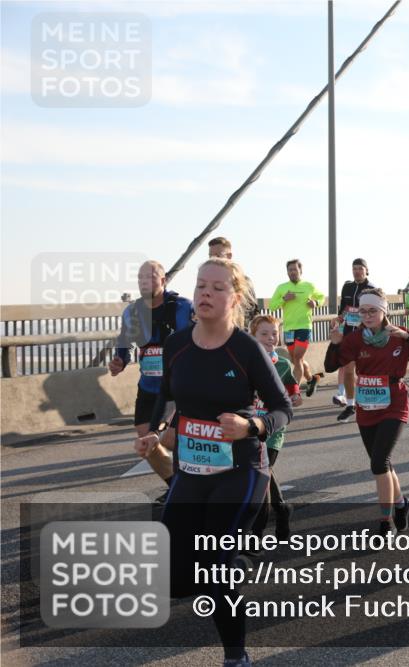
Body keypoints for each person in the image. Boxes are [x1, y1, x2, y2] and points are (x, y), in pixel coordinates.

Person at [135, 258, 293, 666]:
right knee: (172, 574)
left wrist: (251, 424)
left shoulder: (246, 349)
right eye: (201, 285)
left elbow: (282, 408)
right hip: (191, 471)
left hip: (241, 471)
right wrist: (157, 430)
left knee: (214, 566)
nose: (205, 293)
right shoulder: (177, 345)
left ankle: (236, 656)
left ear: (234, 298)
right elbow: (167, 397)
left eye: (217, 288)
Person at [325, 288, 409, 535]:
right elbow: (331, 365)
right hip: (366, 406)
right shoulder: (355, 338)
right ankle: (401, 503)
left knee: (379, 462)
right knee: (382, 464)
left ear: (383, 311)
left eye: (373, 310)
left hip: (394, 403)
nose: (367, 315)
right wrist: (334, 344)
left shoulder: (397, 334)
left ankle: (385, 522)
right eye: (363, 311)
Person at [110, 260, 194, 492]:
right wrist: (121, 360)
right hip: (148, 386)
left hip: (178, 387)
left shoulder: (183, 308)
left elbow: (202, 338)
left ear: (163, 280)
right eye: (140, 278)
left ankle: (199, 485)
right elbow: (124, 343)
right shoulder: (132, 312)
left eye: (150, 276)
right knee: (145, 443)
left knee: (172, 440)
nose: (144, 281)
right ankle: (177, 487)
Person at [249, 315, 302, 542]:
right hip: (250, 430)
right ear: (252, 336)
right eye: (264, 334)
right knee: (263, 475)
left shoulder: (282, 364)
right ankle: (282, 509)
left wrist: (296, 397)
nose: (271, 338)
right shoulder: (244, 362)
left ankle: (256, 535)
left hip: (272, 432)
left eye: (274, 334)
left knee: (260, 479)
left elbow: (293, 391)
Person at [269, 260, 325, 396]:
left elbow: (322, 297)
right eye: (290, 270)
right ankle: (312, 379)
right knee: (295, 359)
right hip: (289, 329)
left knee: (298, 358)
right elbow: (272, 306)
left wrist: (315, 302)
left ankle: (295, 391)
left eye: (294, 269)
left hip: (304, 326)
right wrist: (284, 299)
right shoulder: (282, 287)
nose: (292, 272)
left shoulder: (308, 286)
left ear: (300, 270)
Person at [333, 258, 376, 421]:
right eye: (354, 268)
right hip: (349, 334)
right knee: (348, 368)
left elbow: (378, 312)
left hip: (366, 334)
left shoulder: (371, 289)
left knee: (366, 370)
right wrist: (339, 319)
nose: (357, 271)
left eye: (360, 268)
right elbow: (344, 309)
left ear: (366, 270)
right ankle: (350, 405)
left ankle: (372, 401)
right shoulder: (347, 286)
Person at [208, 237, 261, 327]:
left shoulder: (244, 283)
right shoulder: (207, 283)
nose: (213, 260)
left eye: (217, 256)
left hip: (241, 332)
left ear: (229, 256)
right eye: (210, 256)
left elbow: (253, 312)